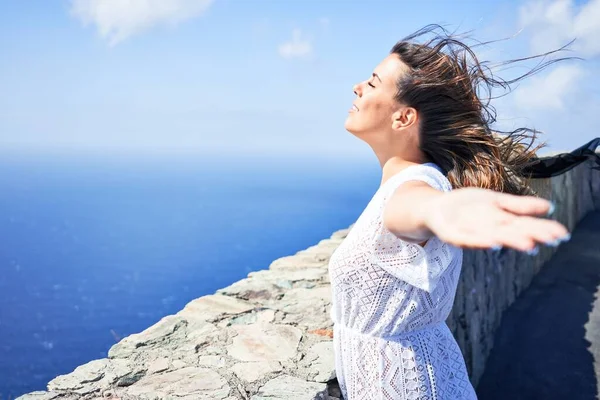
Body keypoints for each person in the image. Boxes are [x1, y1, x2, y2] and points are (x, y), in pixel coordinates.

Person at [328, 25, 571, 400]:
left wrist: (441, 211)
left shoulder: (417, 185)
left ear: (403, 118)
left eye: (374, 83)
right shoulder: (412, 179)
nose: (358, 87)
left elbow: (413, 207)